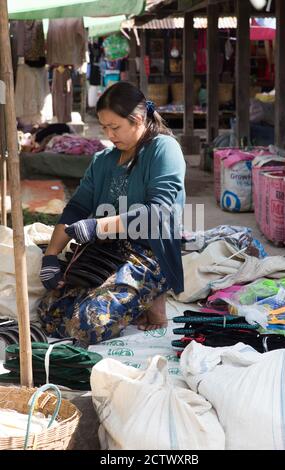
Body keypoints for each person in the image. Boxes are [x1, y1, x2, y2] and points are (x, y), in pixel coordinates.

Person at [38, 81, 186, 347]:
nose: (109, 134)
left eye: (114, 127)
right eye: (104, 127)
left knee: (88, 325)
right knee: (50, 316)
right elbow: (77, 207)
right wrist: (51, 256)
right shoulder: (104, 160)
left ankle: (153, 294)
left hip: (148, 252)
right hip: (105, 250)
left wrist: (98, 227)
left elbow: (159, 212)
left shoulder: (163, 149)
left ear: (138, 119)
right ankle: (138, 300)